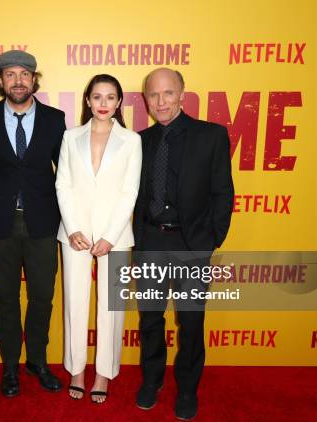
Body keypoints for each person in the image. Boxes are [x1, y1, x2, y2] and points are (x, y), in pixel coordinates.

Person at [133, 68, 234, 420]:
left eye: (168, 93)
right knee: (150, 319)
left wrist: (210, 240)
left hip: (192, 244)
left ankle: (188, 388)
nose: (160, 102)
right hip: (149, 242)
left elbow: (223, 193)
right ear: (145, 98)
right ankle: (152, 379)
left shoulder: (212, 136)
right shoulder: (138, 141)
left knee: (190, 322)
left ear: (182, 94)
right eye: (153, 95)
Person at [0, 50, 66, 397]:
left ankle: (38, 361)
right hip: (0, 225)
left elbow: (67, 176)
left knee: (42, 297)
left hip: (43, 225)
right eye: (10, 75)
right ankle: (11, 365)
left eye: (24, 74)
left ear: (34, 79)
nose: (17, 81)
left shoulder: (55, 120)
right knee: (7, 299)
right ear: (0, 81)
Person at [56, 74, 142, 403]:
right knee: (75, 303)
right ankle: (76, 369)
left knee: (112, 307)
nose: (103, 104)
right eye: (97, 97)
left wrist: (109, 235)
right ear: (87, 101)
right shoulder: (70, 137)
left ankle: (104, 372)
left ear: (119, 103)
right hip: (74, 234)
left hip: (115, 236)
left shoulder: (132, 141)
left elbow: (129, 191)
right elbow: (62, 184)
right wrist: (74, 227)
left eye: (110, 97)